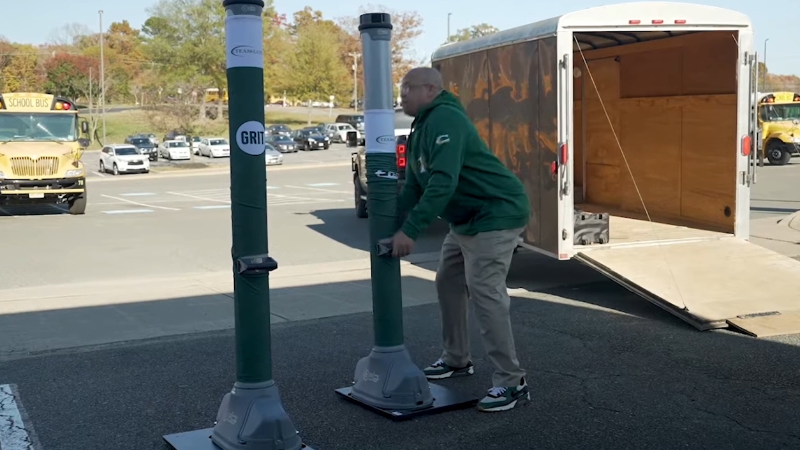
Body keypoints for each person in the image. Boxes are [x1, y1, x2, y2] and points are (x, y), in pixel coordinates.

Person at [391, 67, 531, 412]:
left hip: (495, 213)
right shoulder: (420, 127)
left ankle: (512, 382)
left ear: (430, 89)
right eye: (401, 89)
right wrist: (391, 221)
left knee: (484, 291)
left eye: (408, 88)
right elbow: (415, 184)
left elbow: (443, 182)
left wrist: (411, 230)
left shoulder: (446, 120)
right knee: (448, 281)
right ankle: (456, 359)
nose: (402, 95)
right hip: (466, 220)